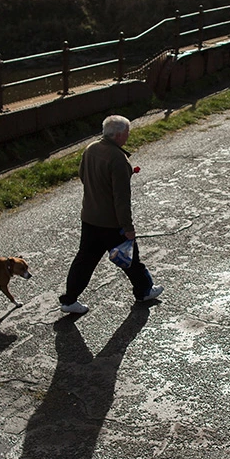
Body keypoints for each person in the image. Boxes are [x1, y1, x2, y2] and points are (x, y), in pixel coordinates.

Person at [60, 114, 163, 314]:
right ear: (117, 135)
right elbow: (121, 199)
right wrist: (128, 227)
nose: (128, 135)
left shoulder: (90, 149)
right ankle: (144, 290)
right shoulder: (118, 159)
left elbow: (83, 175)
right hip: (112, 222)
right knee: (130, 259)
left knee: (84, 261)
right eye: (127, 132)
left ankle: (69, 300)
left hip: (90, 218)